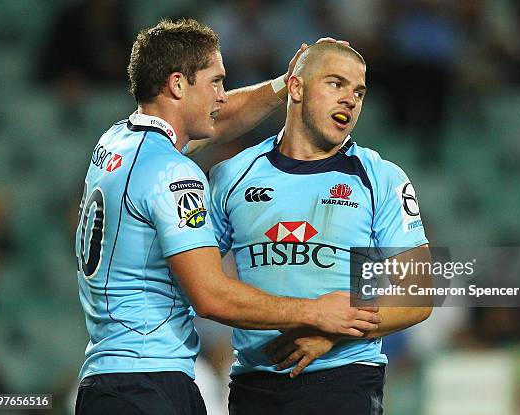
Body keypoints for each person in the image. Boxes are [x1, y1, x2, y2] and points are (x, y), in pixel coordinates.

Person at [74, 19, 381, 415]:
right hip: (148, 382)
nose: (222, 96)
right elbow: (211, 295)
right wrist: (317, 313)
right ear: (178, 85)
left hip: (109, 376)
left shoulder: (116, 142)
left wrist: (282, 84)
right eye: (216, 82)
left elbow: (216, 121)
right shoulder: (174, 173)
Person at [208, 42, 433, 415]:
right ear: (295, 88)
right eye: (335, 84)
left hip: (345, 379)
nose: (350, 99)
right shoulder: (232, 175)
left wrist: (332, 332)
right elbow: (202, 282)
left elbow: (418, 293)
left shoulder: (380, 177)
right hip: (253, 383)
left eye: (358, 91)